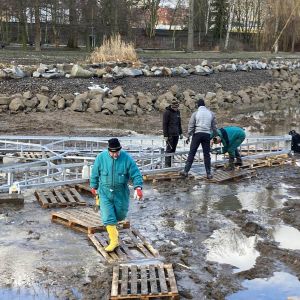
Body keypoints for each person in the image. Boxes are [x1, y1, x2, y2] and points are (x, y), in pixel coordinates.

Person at [90, 138, 143, 252]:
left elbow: (135, 173)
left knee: (120, 216)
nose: (115, 154)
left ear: (120, 150)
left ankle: (114, 229)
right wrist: (93, 186)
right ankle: (114, 241)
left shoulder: (126, 159)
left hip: (121, 192)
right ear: (108, 150)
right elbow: (95, 172)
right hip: (104, 191)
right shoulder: (101, 158)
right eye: (112, 152)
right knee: (108, 217)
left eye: (117, 152)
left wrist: (138, 187)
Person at [180, 99, 218, 179]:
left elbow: (191, 125)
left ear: (198, 105)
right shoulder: (211, 113)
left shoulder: (195, 114)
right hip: (207, 135)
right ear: (204, 105)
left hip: (197, 134)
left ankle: (186, 171)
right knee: (206, 154)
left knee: (192, 152)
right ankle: (208, 173)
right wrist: (214, 134)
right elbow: (214, 126)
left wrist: (188, 136)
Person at [163, 99, 183, 167]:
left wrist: (181, 132)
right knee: (169, 149)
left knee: (174, 149)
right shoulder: (167, 112)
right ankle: (167, 165)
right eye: (174, 107)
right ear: (171, 106)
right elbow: (164, 124)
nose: (175, 109)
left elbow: (179, 123)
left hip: (176, 134)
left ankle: (171, 163)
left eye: (176, 107)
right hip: (170, 134)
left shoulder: (178, 112)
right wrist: (165, 135)